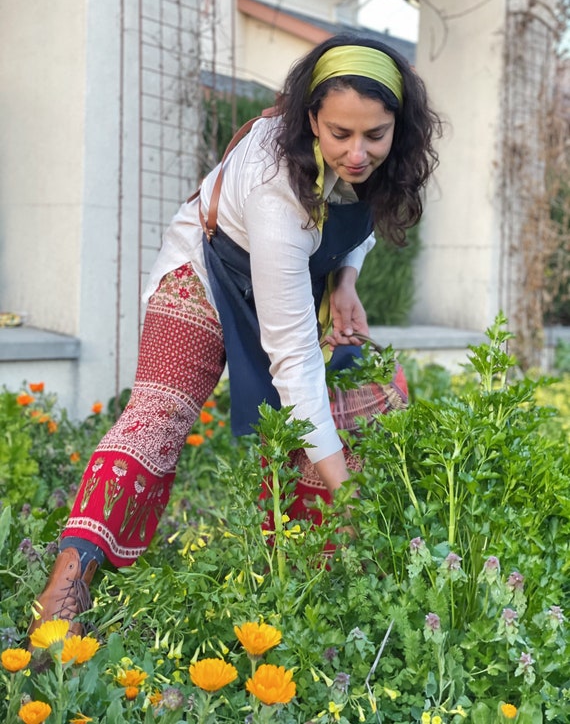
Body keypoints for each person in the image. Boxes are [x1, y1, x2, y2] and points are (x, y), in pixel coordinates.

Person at [29, 33, 442, 637]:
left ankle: (311, 581)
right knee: (158, 414)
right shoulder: (279, 194)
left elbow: (361, 226)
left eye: (374, 136)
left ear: (397, 129)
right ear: (310, 121)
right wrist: (347, 491)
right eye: (340, 135)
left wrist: (345, 281)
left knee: (365, 395)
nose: (357, 153)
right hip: (205, 270)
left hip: (288, 283)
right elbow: (294, 362)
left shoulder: (383, 163)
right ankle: (68, 584)